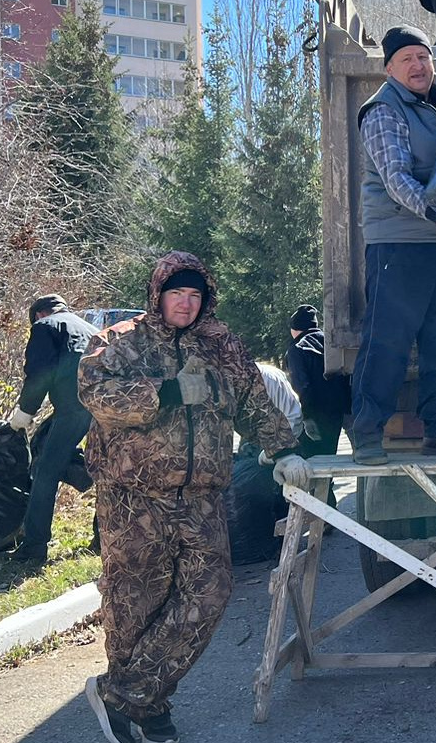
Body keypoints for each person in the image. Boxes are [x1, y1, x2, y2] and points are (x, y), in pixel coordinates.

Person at [77, 252, 298, 743]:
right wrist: (166, 392)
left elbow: (253, 401)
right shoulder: (120, 341)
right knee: (136, 604)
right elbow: (94, 393)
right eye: (176, 293)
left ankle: (125, 695)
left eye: (195, 295)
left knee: (210, 592)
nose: (185, 303)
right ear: (158, 295)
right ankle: (150, 707)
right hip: (133, 499)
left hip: (202, 497)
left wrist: (283, 449)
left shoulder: (221, 346)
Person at [349, 25, 436, 466]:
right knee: (387, 343)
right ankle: (367, 436)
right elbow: (396, 178)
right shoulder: (383, 111)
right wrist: (435, 213)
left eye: (423, 57)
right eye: (407, 59)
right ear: (389, 69)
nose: (418, 65)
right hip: (398, 244)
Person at [7, 295, 98, 563]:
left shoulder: (45, 326)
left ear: (39, 314)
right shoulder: (91, 329)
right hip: (104, 406)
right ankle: (103, 538)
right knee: (104, 469)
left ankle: (34, 547)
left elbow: (40, 373)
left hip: (73, 408)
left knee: (44, 471)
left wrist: (25, 412)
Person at [284, 304, 354, 458]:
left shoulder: (297, 349)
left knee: (313, 459)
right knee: (330, 454)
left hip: (315, 413)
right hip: (341, 409)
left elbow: (302, 386)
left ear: (295, 328)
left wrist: (307, 417)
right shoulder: (332, 344)